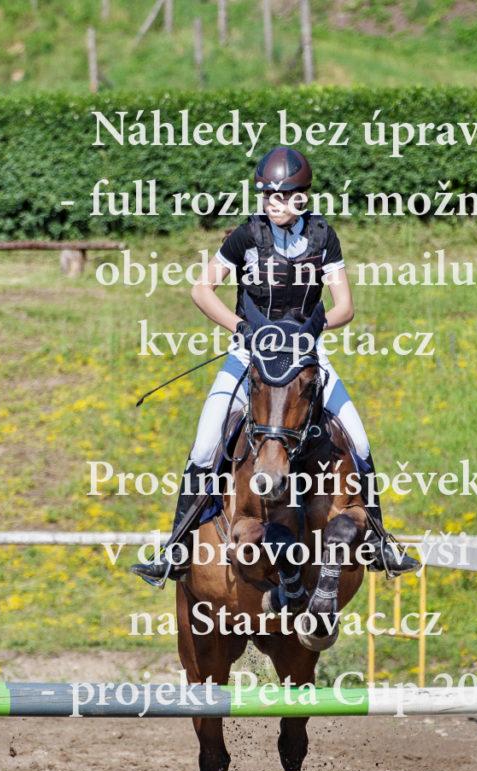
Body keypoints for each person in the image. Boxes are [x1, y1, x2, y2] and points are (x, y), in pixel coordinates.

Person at [131, 146, 418, 586]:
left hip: (305, 360)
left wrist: (310, 330)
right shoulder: (246, 237)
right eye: (268, 196)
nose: (274, 204)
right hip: (249, 357)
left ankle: (380, 541)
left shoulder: (323, 237)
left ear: (302, 197)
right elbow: (201, 290)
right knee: (205, 444)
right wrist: (242, 327)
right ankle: (176, 549)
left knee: (358, 440)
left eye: (282, 197)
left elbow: (345, 307)